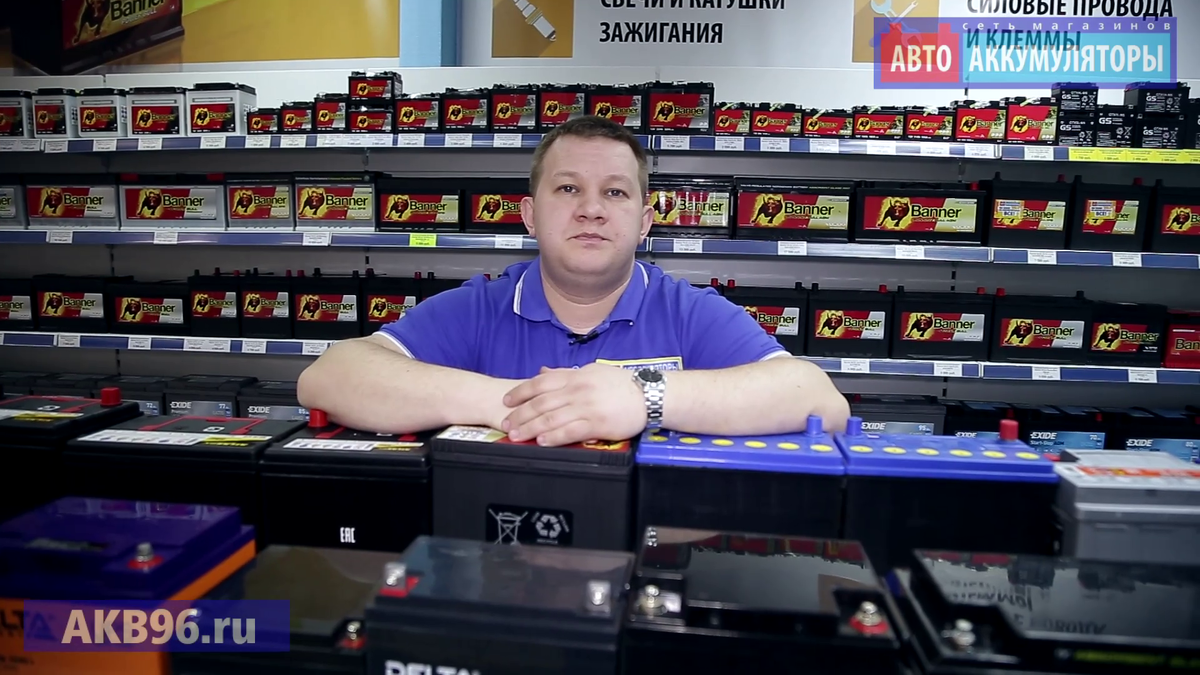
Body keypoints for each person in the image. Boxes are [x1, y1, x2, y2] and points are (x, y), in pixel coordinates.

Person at [297, 116, 849, 445]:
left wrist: (644, 398)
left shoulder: (689, 312)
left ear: (645, 221)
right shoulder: (478, 309)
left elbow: (819, 400)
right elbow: (330, 377)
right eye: (567, 189)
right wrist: (511, 403)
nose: (591, 209)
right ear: (529, 215)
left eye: (615, 192)